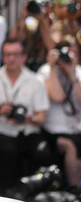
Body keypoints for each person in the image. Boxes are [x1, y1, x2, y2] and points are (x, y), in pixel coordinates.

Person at [0, 38, 50, 195]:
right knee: (7, 152)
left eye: (16, 54)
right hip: (3, 130)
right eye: (8, 54)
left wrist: (28, 118)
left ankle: (38, 197)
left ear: (24, 57)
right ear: (2, 57)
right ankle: (5, 195)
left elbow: (42, 119)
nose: (12, 59)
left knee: (43, 153)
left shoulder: (35, 81)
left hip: (29, 130)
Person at [38, 40, 81, 188]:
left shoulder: (78, 72)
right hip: (52, 131)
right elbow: (58, 96)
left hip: (76, 128)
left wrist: (72, 74)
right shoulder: (46, 71)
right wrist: (52, 67)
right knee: (71, 145)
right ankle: (73, 189)